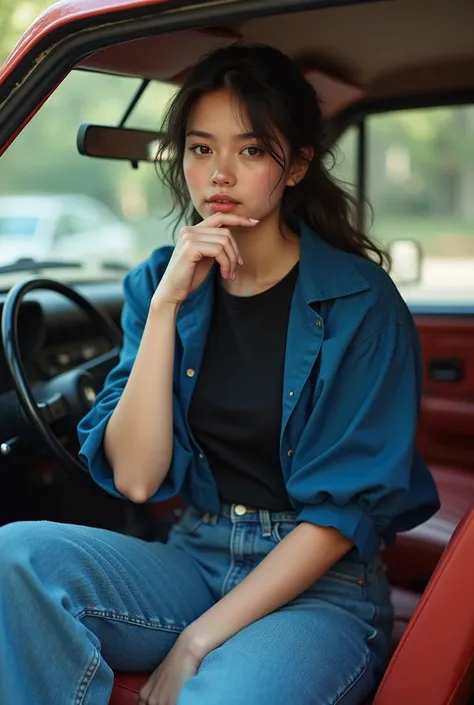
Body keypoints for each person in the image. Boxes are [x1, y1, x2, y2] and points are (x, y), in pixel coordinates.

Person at [0, 44, 440, 705]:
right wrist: (167, 305)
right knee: (15, 557)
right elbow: (140, 477)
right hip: (195, 553)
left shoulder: (360, 302)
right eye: (202, 149)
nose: (220, 175)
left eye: (251, 150)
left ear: (295, 165)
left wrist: (197, 640)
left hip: (318, 588)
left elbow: (339, 513)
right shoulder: (158, 280)